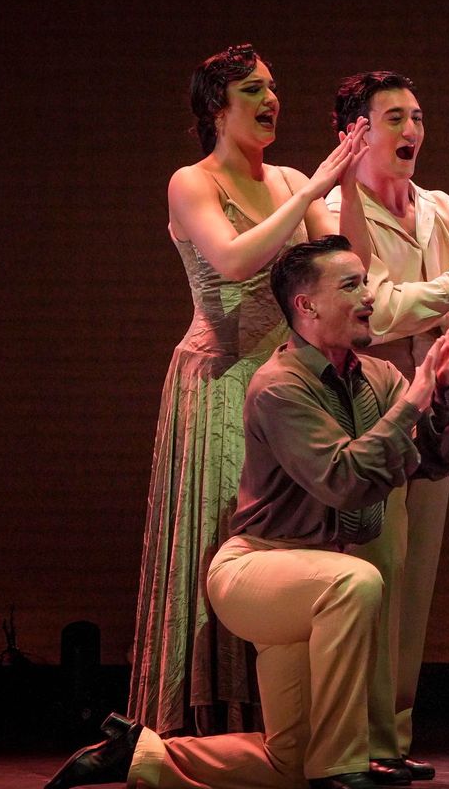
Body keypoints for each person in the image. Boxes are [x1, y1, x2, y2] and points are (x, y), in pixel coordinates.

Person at [48, 237, 449, 789]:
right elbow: (342, 478)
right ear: (306, 306)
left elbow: (434, 462)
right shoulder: (279, 385)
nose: (369, 296)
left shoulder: (379, 378)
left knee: (288, 761)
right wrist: (411, 403)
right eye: (351, 285)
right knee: (358, 580)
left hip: (315, 582)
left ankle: (141, 753)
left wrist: (442, 400)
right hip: (258, 570)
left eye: (365, 283)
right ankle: (343, 764)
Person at [129, 45, 367, 738]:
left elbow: (336, 269)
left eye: (273, 87)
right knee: (225, 536)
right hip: (225, 384)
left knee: (295, 539)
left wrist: (342, 187)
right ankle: (210, 715)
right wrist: (310, 189)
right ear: (215, 105)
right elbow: (232, 259)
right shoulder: (191, 181)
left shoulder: (295, 176)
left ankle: (296, 717)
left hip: (292, 381)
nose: (271, 101)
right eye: (253, 89)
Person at [326, 69, 449, 782]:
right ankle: (363, 737)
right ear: (357, 132)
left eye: (418, 116)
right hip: (370, 405)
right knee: (378, 566)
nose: (411, 130)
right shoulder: (337, 214)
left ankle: (393, 736)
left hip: (435, 402)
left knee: (417, 573)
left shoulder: (435, 207)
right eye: (394, 117)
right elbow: (376, 308)